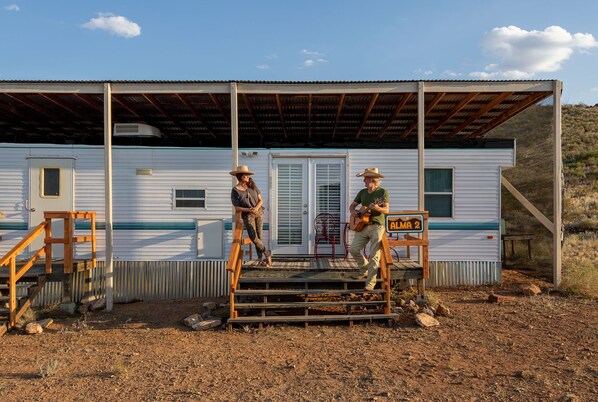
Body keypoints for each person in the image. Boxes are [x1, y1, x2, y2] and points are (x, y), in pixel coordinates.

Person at [349, 167, 390, 291]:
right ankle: (364, 269)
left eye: (365, 179)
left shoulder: (382, 193)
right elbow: (352, 206)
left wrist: (377, 208)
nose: (364, 181)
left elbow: (386, 210)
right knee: (354, 249)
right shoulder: (362, 192)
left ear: (373, 180)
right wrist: (354, 213)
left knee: (374, 256)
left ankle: (370, 284)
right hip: (362, 226)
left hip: (377, 227)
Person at [230, 165, 272, 267]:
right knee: (253, 237)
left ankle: (260, 259)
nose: (248, 177)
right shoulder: (235, 190)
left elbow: (261, 200)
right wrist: (249, 210)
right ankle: (267, 253)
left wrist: (256, 208)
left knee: (259, 236)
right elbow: (237, 207)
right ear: (240, 176)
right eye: (246, 175)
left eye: (248, 175)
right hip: (248, 216)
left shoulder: (252, 186)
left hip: (259, 213)